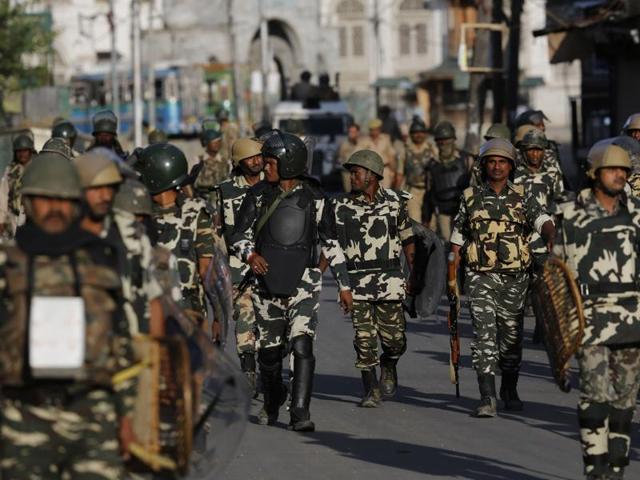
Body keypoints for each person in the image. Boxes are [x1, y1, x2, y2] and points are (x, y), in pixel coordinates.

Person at [0, 153, 136, 479]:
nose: (55, 208)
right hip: (23, 414)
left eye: (64, 199)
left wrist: (129, 416)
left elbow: (122, 343)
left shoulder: (102, 258)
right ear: (28, 201)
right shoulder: (8, 263)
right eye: (45, 199)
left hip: (93, 412)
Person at [231, 130, 352, 431]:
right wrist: (250, 256)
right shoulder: (257, 196)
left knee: (302, 344)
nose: (264, 168)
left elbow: (331, 243)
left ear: (287, 164)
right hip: (265, 284)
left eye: (270, 163)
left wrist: (345, 286)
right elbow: (238, 236)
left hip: (305, 283)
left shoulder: (316, 198)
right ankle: (273, 400)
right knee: (269, 354)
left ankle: (300, 411)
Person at [450, 138, 555, 417]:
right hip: (480, 276)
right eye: (492, 162)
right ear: (484, 165)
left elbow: (542, 220)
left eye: (502, 162)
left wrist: (551, 235)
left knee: (510, 338)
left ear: (511, 166)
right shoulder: (470, 196)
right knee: (484, 336)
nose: (497, 167)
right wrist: (452, 272)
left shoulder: (523, 196)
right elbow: (458, 237)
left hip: (515, 278)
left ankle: (510, 388)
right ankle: (487, 397)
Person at [558, 143, 640, 480]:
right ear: (594, 173)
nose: (620, 175)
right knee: (595, 395)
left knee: (625, 400)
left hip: (632, 318)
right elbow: (557, 277)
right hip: (589, 316)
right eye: (612, 169)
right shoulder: (570, 215)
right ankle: (595, 467)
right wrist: (561, 339)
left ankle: (617, 466)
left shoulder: (637, 213)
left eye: (624, 170)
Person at [334, 150, 415, 407]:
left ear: (372, 175)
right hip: (357, 283)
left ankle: (389, 364)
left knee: (395, 341)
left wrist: (415, 275)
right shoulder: (341, 206)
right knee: (364, 339)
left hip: (390, 281)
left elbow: (409, 240)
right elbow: (333, 246)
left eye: (356, 172)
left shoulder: (395, 202)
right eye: (351, 173)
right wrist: (340, 285)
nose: (352, 177)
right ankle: (370, 388)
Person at [73, 150, 163, 336]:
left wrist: (157, 349)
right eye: (96, 188)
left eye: (110, 188)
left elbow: (153, 298)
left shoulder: (131, 234)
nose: (105, 196)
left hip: (132, 347)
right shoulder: (63, 237)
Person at [137, 143, 221, 339]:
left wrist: (218, 316)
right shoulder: (140, 211)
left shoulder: (193, 212)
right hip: (157, 311)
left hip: (184, 314)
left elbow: (207, 271)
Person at [212, 137, 264, 393]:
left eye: (259, 156)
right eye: (250, 157)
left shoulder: (273, 185)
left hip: (270, 264)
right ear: (238, 162)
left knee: (270, 323)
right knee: (244, 317)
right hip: (238, 265)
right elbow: (216, 230)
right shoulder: (225, 190)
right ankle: (248, 369)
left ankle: (268, 367)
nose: (256, 161)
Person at [425, 121, 474, 241]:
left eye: (446, 139)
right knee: (447, 242)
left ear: (453, 139)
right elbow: (429, 191)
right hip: (442, 211)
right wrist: (426, 217)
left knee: (463, 241)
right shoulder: (432, 164)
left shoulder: (467, 159)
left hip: (463, 209)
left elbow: (475, 186)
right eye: (440, 140)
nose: (443, 142)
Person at [395, 117, 436, 222]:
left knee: (431, 225)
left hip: (430, 191)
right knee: (415, 221)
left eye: (421, 132)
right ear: (411, 134)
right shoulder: (405, 150)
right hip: (412, 190)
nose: (419, 135)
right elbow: (399, 173)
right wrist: (395, 193)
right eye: (416, 132)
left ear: (425, 133)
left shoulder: (432, 149)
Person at [0, 132, 36, 238]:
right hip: (14, 217)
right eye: (19, 151)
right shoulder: (10, 170)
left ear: (30, 151)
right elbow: (3, 195)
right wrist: (1, 219)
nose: (22, 154)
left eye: (25, 151)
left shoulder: (37, 167)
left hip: (32, 216)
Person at [356, 119, 397, 189]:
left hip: (385, 170)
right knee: (371, 193)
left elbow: (391, 156)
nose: (374, 131)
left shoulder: (386, 139)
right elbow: (357, 155)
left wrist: (393, 172)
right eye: (372, 129)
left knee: (385, 194)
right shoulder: (364, 141)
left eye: (376, 129)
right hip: (370, 171)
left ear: (379, 129)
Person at [194, 128, 230, 203]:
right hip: (202, 201)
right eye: (214, 142)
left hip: (222, 200)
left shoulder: (226, 162)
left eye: (219, 141)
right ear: (206, 143)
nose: (217, 144)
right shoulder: (198, 161)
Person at [337, 123, 361, 193]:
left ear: (358, 133)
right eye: (350, 132)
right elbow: (339, 158)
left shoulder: (364, 143)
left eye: (353, 132)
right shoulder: (344, 145)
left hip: (361, 173)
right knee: (349, 193)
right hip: (348, 174)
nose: (351, 134)